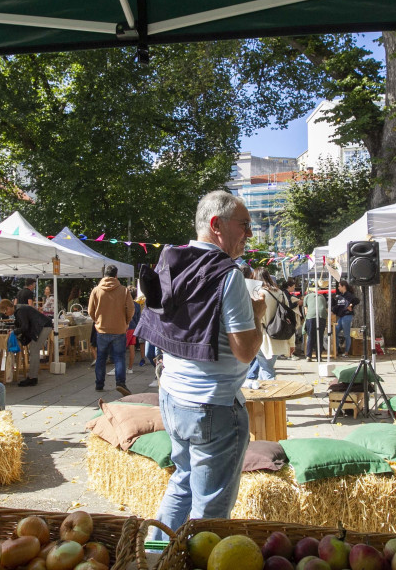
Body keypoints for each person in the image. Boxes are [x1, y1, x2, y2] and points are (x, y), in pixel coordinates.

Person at [135, 190, 266, 539]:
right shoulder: (229, 275)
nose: (249, 234)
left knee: (182, 483)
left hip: (172, 397)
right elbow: (244, 352)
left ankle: (153, 557)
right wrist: (258, 316)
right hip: (212, 407)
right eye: (244, 225)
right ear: (216, 225)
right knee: (210, 514)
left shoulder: (171, 262)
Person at [88, 265, 134, 394]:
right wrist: (126, 322)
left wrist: (97, 321)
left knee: (101, 358)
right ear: (116, 276)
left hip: (102, 329)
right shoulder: (124, 291)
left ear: (104, 275)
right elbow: (131, 309)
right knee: (119, 357)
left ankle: (99, 384)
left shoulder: (96, 290)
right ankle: (120, 383)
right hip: (119, 329)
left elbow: (90, 311)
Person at [0, 298, 53, 387]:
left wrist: (14, 332)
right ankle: (32, 376)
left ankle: (32, 378)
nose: (6, 314)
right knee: (34, 349)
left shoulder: (20, 311)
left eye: (5, 312)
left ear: (8, 308)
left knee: (34, 350)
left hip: (44, 326)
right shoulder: (19, 309)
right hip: (43, 325)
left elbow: (25, 327)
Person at [250, 267, 292, 380]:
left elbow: (257, 317)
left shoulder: (259, 293)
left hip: (263, 337)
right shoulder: (281, 293)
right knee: (264, 369)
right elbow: (290, 318)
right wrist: (291, 343)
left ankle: (273, 395)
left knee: (267, 371)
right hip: (280, 336)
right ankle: (263, 395)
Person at [332, 280, 359, 357]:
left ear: (344, 286)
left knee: (346, 334)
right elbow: (337, 306)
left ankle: (346, 352)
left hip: (347, 316)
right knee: (335, 332)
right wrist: (332, 311)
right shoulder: (339, 296)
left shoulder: (349, 295)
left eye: (339, 286)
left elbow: (357, 300)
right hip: (340, 317)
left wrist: (351, 305)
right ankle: (336, 349)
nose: (338, 288)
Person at [303, 285, 328, 362]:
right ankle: (319, 357)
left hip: (311, 316)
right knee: (320, 336)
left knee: (311, 336)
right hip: (322, 316)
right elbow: (325, 309)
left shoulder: (306, 297)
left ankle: (308, 356)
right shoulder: (322, 297)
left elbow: (306, 311)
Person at [126, 287, 141, 372]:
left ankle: (118, 368)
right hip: (134, 327)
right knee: (132, 348)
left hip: (127, 327)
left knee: (120, 349)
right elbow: (138, 318)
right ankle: (130, 368)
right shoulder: (137, 305)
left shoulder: (125, 304)